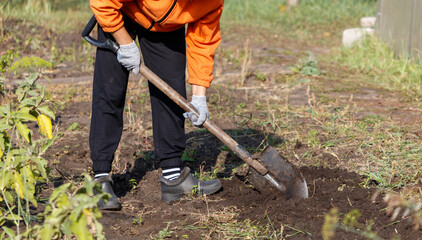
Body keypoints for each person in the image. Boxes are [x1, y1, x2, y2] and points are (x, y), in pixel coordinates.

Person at [88, 0, 224, 210]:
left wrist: (199, 96)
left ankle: (173, 178)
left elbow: (203, 42)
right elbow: (102, 2)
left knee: (171, 92)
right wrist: (125, 43)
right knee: (110, 90)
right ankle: (101, 179)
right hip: (121, 11)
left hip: (166, 26)